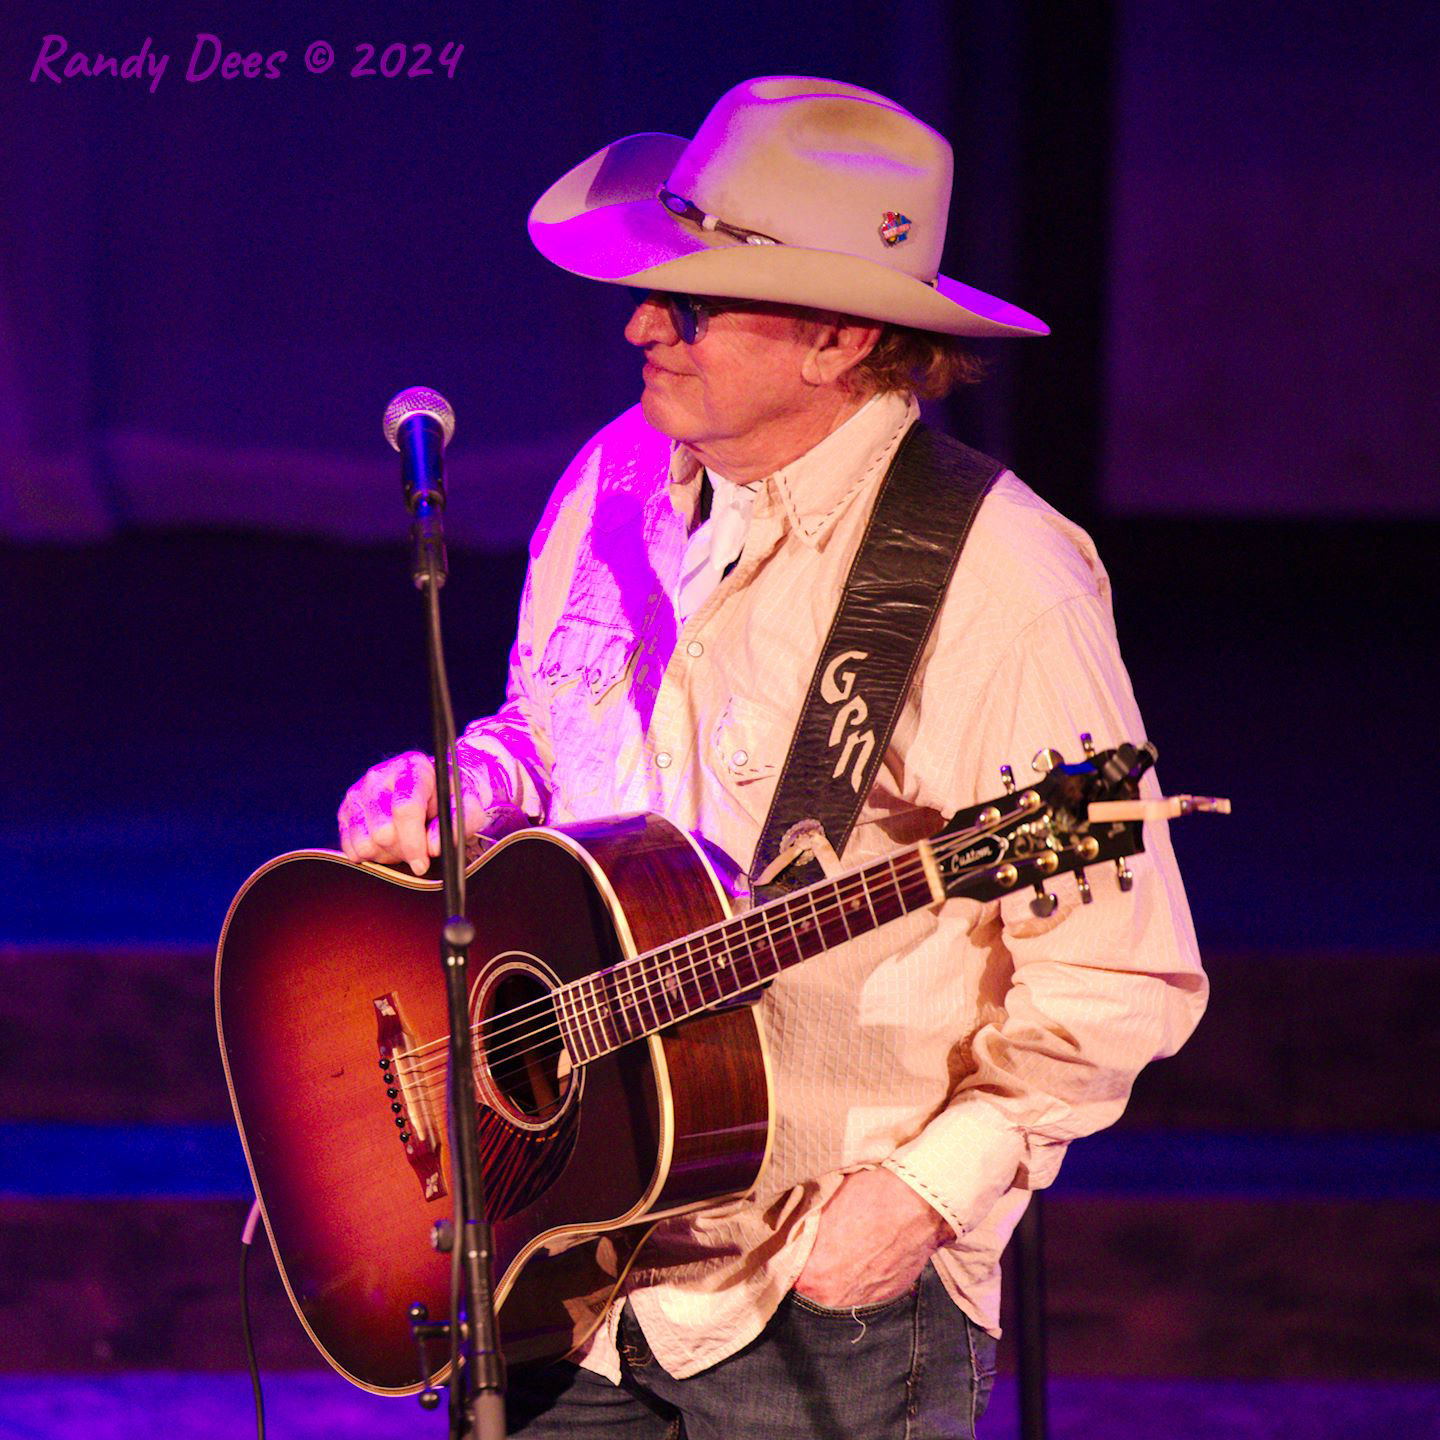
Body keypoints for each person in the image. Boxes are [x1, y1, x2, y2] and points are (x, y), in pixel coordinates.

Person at [338, 76, 1206, 1440]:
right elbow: (543, 733)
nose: (638, 324)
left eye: (688, 302)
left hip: (820, 1287)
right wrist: (469, 790)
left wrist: (919, 1199)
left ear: (839, 332)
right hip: (564, 1237)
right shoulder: (615, 477)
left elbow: (1114, 970)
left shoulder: (998, 579)